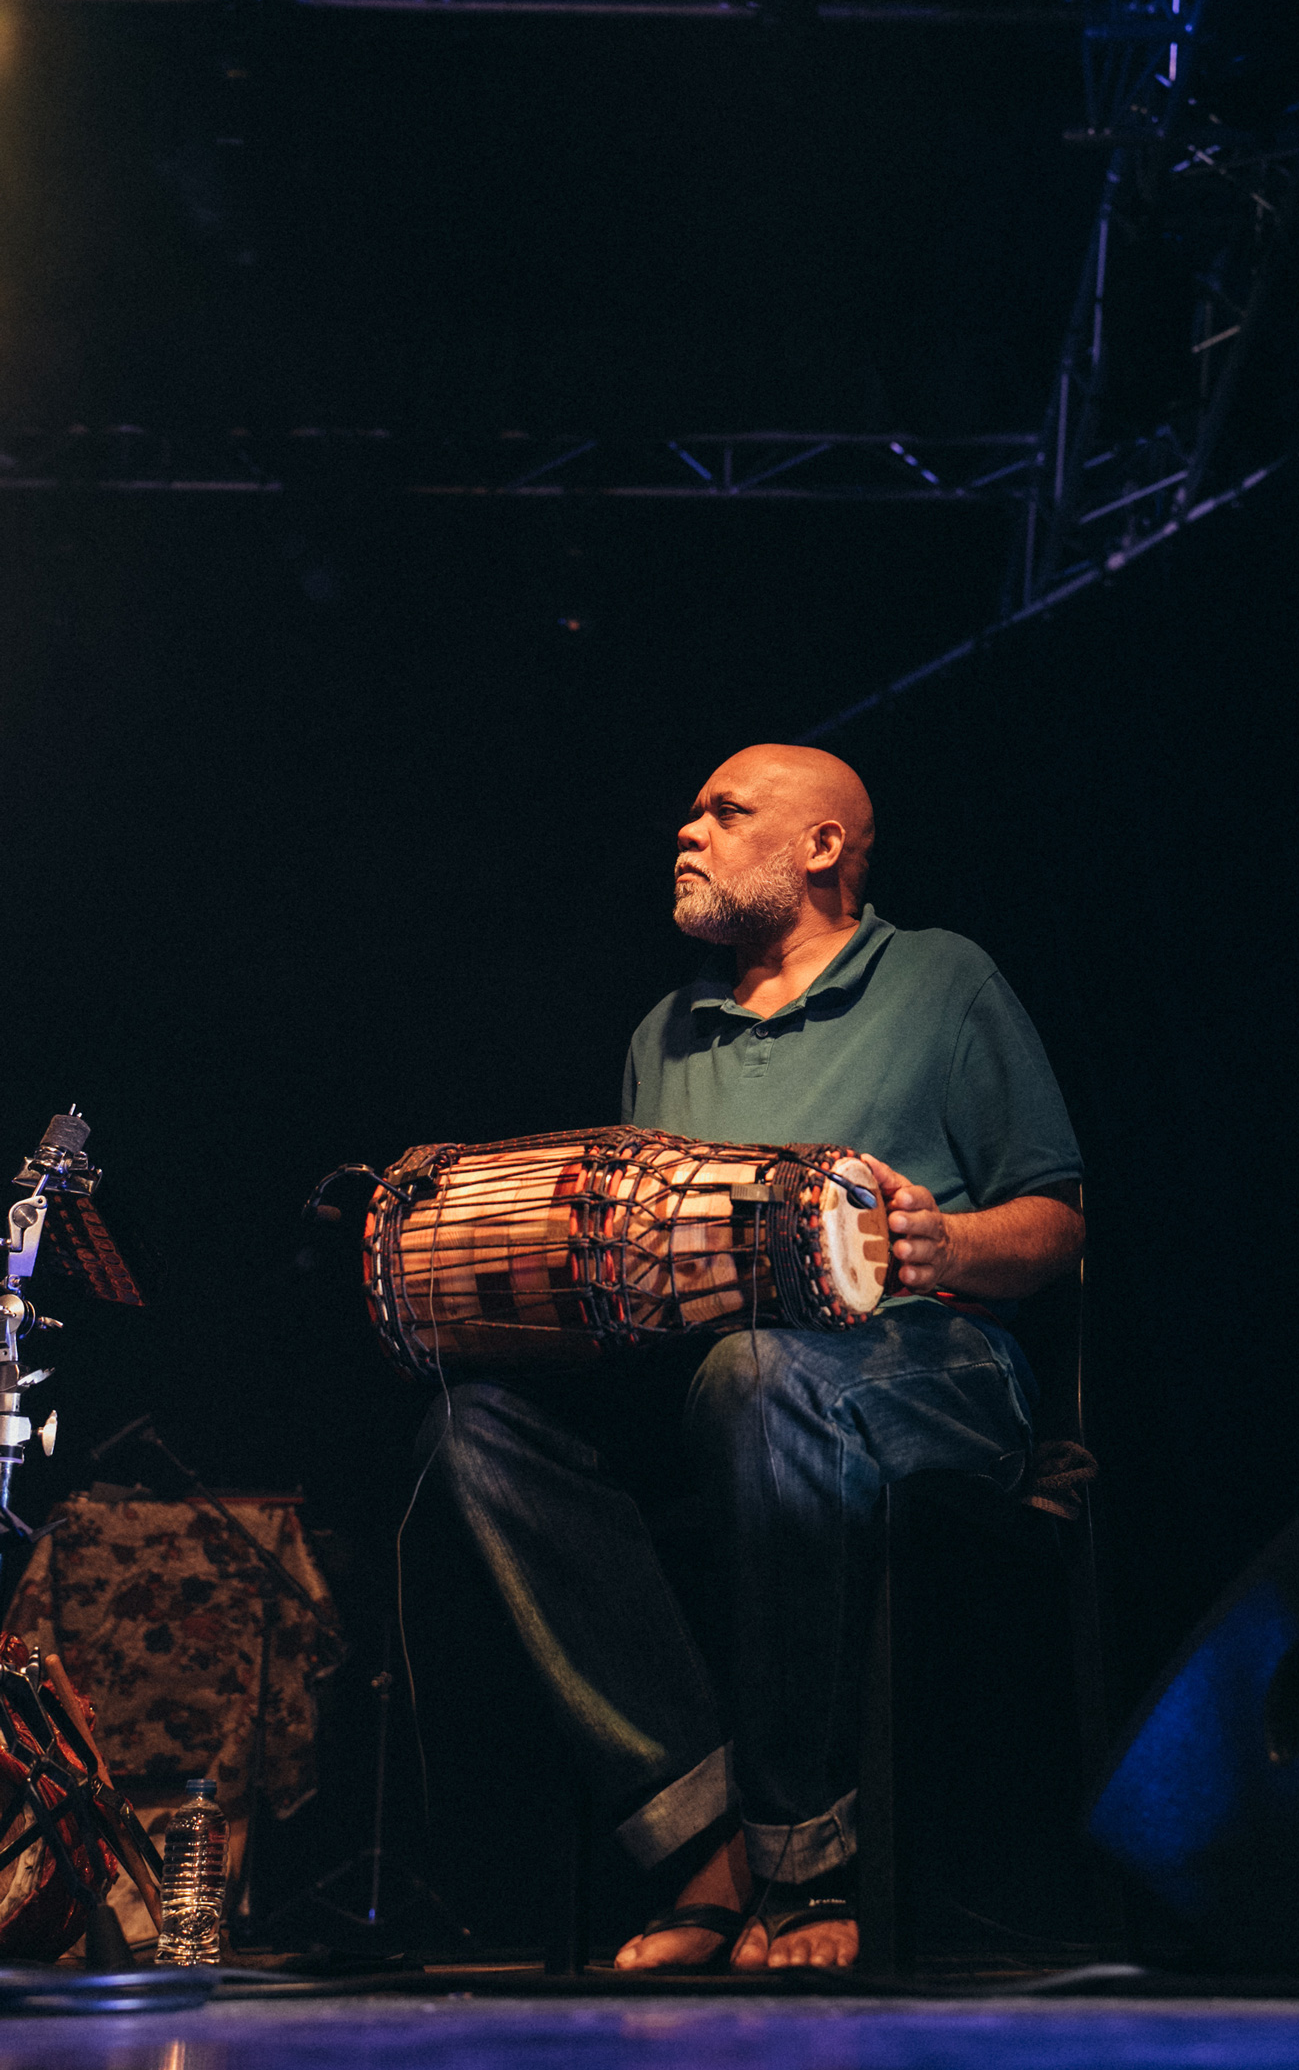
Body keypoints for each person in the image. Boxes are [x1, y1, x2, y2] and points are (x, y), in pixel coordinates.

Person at [427, 743, 1084, 1971]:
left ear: (822, 847)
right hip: (716, 1388)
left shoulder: (942, 980)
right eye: (690, 815)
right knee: (477, 1429)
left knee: (762, 1377)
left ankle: (804, 1857)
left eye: (725, 813)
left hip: (931, 1363)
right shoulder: (664, 1032)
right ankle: (698, 1839)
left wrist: (942, 1242)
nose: (689, 833)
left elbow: (1055, 1223)